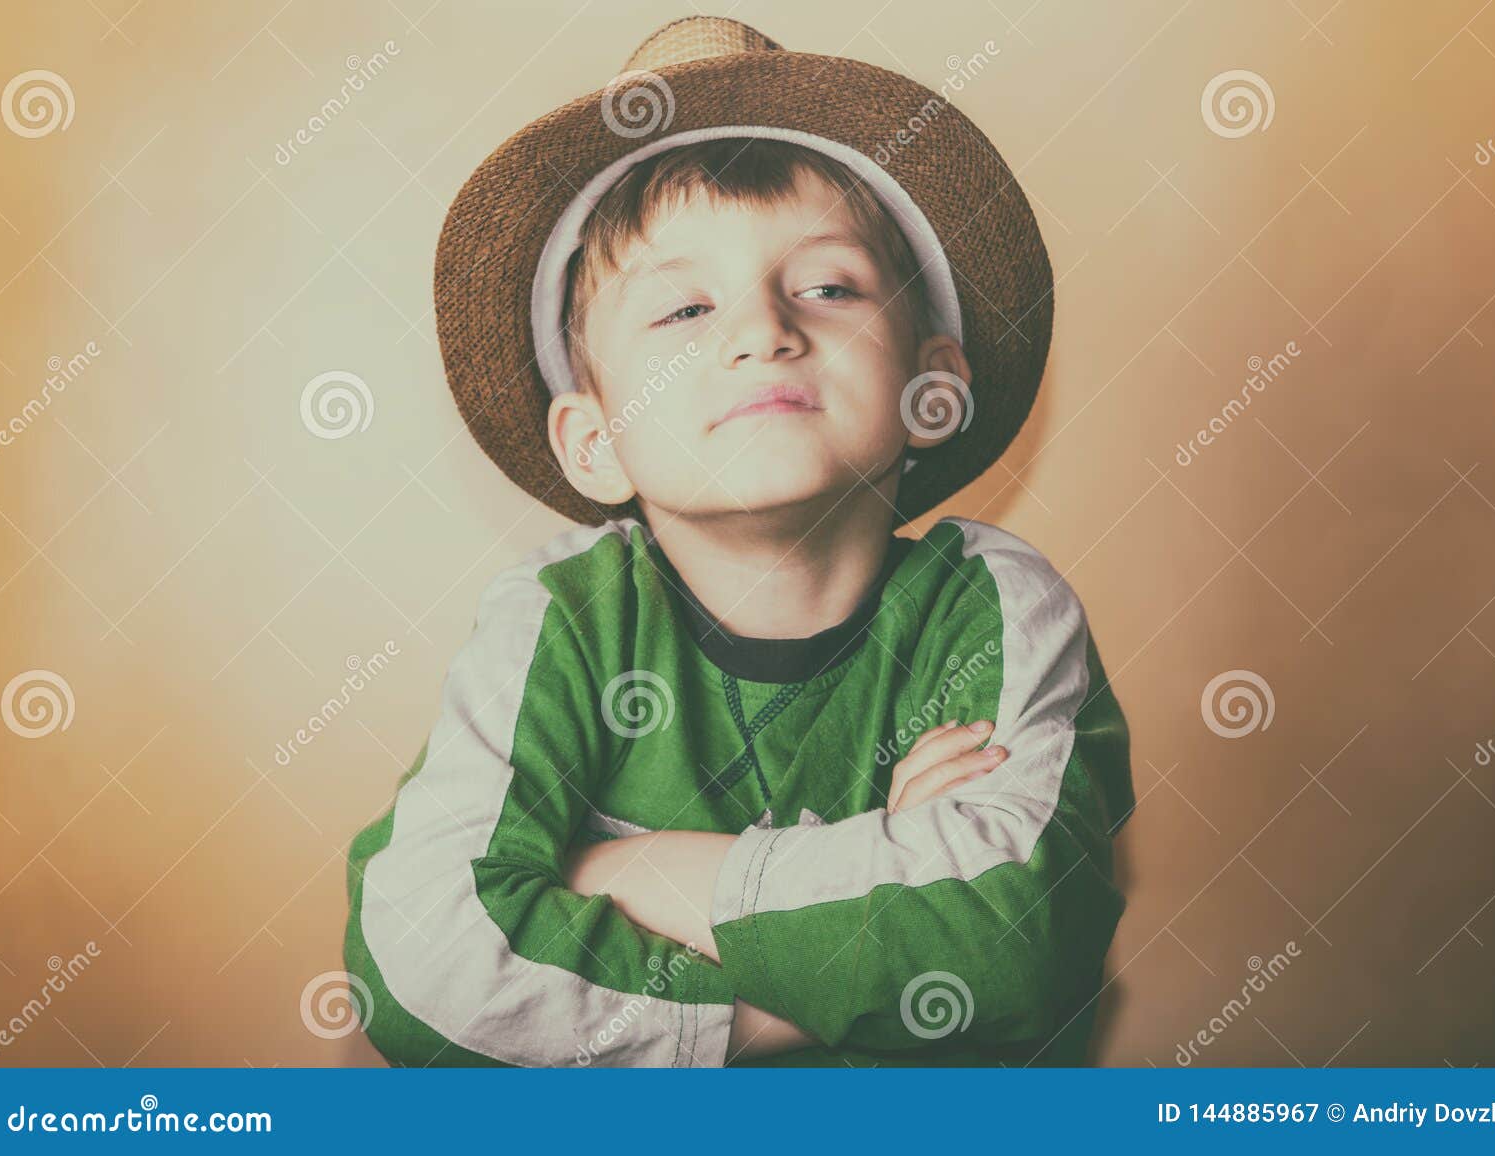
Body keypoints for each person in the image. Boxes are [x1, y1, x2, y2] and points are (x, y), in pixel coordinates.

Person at [342, 14, 1134, 1067]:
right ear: (593, 443)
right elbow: (424, 970)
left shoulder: (992, 608)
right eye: (683, 310)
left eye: (829, 287)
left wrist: (633, 872)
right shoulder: (560, 621)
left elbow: (1021, 944)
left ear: (930, 389)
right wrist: (877, 893)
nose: (763, 330)